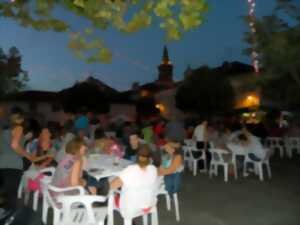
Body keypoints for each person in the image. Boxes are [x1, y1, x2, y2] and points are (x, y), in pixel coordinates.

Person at [0, 113, 41, 210]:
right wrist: (28, 155)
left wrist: (24, 138)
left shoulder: (4, 131)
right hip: (13, 165)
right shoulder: (19, 128)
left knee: (4, 196)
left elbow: (8, 145)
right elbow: (14, 145)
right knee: (11, 199)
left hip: (2, 164)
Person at [110, 144, 158, 218]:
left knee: (112, 196)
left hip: (130, 208)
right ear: (150, 158)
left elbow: (112, 186)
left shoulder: (130, 169)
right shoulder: (153, 169)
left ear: (137, 156)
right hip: (149, 204)